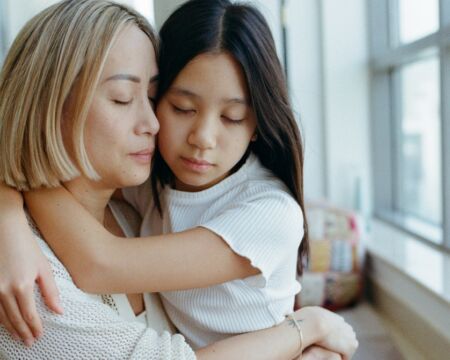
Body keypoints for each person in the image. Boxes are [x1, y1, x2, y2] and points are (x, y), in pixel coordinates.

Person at [0, 0, 358, 358]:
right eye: (124, 99)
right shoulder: (27, 276)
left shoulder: (261, 211)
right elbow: (99, 263)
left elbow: (102, 262)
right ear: (49, 105)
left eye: (151, 96)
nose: (201, 137)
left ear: (257, 125)